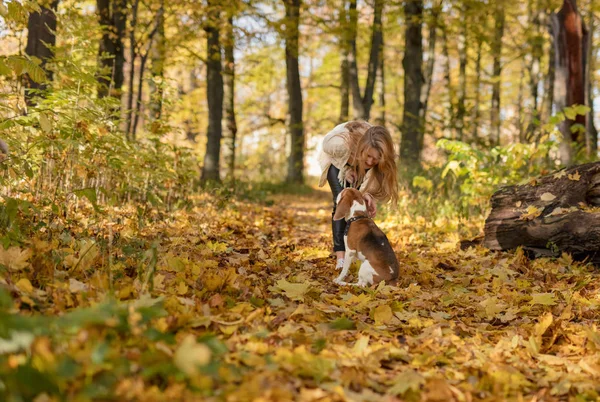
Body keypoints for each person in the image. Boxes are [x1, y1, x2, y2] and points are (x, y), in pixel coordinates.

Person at [318, 121, 399, 269]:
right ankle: (341, 256)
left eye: (375, 159)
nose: (369, 161)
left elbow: (375, 178)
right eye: (368, 156)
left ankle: (355, 250)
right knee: (342, 203)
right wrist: (346, 167)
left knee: (357, 206)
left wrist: (367, 194)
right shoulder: (338, 144)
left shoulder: (383, 158)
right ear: (362, 149)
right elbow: (326, 146)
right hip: (336, 161)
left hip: (355, 157)